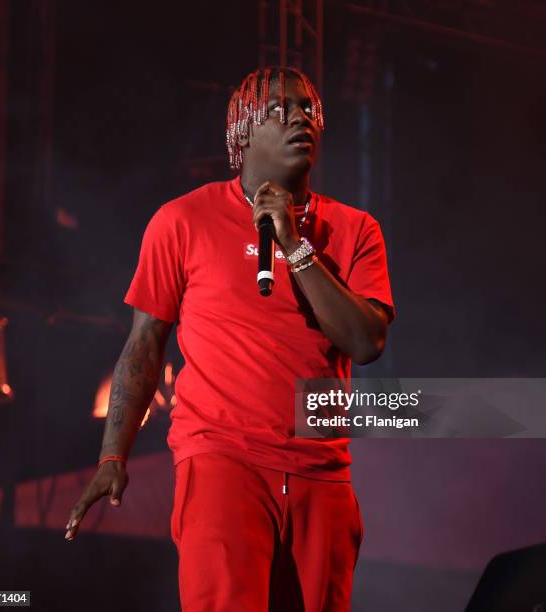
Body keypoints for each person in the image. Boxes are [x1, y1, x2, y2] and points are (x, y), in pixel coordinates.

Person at [65, 65, 395, 611]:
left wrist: (294, 245)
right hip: (222, 459)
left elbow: (366, 342)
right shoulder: (182, 220)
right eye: (277, 110)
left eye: (308, 109)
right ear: (241, 132)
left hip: (322, 473)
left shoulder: (356, 229)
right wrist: (111, 456)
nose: (298, 119)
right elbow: (144, 346)